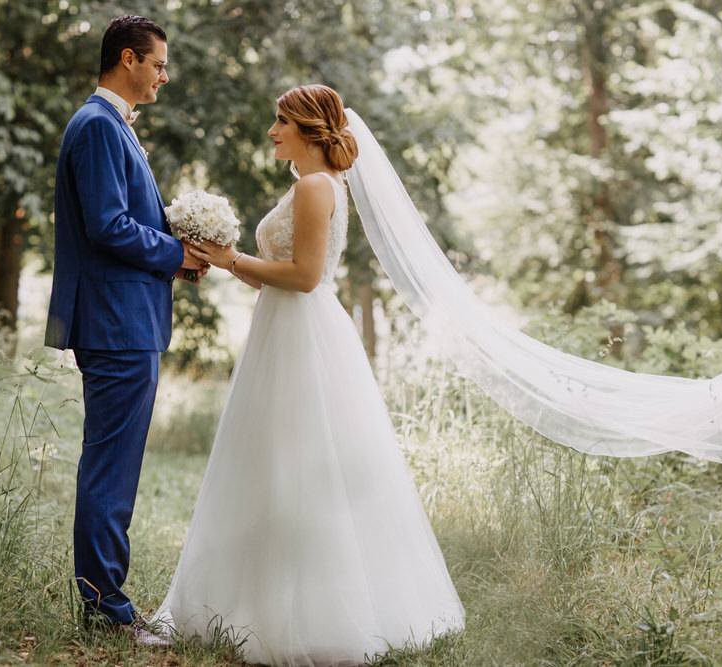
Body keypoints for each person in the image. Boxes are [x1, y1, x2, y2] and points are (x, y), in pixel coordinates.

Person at [153, 84, 465, 665]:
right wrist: (219, 260)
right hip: (283, 327)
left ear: (307, 128)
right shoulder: (313, 186)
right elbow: (276, 275)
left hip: (304, 334)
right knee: (272, 463)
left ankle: (312, 612)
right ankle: (251, 599)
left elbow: (305, 275)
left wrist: (229, 258)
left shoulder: (317, 186)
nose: (271, 131)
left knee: (301, 464)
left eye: (280, 121)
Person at [44, 15, 206, 646]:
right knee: (110, 466)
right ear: (129, 60)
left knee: (116, 463)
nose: (164, 76)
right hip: (115, 322)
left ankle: (106, 600)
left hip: (127, 317)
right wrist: (177, 255)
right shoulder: (97, 126)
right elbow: (109, 226)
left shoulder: (113, 126)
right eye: (159, 64)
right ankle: (107, 609)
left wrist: (182, 243)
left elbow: (126, 219)